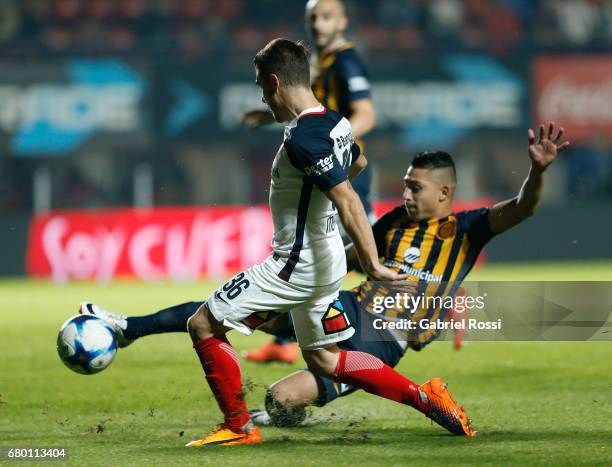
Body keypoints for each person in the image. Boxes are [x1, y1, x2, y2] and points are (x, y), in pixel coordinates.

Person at [82, 37, 479, 448]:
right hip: (323, 262)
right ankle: (426, 398)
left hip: (295, 264)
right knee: (325, 359)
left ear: (274, 82)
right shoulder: (335, 123)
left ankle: (237, 426)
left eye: (260, 87)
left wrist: (373, 265)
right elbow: (357, 163)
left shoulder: (303, 139)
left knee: (204, 323)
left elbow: (348, 201)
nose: (261, 96)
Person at [79, 122, 568, 437]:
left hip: (383, 341)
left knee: (281, 400)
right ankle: (127, 328)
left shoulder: (468, 228)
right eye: (404, 183)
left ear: (445, 192)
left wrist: (537, 172)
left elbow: (522, 208)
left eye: (415, 186)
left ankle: (291, 410)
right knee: (225, 309)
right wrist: (303, 269)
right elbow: (355, 256)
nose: (406, 192)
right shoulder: (395, 220)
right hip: (346, 305)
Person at [243, 0, 377, 364]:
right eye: (313, 18)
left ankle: (430, 308)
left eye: (327, 17)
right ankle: (295, 339)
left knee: (357, 255)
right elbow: (307, 111)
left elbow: (365, 114)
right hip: (325, 165)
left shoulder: (346, 61)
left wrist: (334, 139)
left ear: (343, 22)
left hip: (338, 170)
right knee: (321, 257)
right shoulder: (319, 64)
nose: (318, 24)